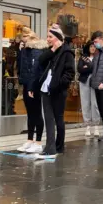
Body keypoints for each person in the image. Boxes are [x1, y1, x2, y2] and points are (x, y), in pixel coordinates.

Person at [32, 24, 75, 158]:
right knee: (49, 120)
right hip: (46, 90)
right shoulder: (52, 51)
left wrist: (60, 85)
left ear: (57, 38)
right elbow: (40, 60)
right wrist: (52, 50)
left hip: (57, 90)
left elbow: (70, 72)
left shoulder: (67, 52)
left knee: (59, 119)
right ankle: (50, 148)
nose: (48, 39)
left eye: (50, 37)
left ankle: (59, 146)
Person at [17, 27, 47, 154]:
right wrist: (20, 51)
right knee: (30, 113)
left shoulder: (37, 50)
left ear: (30, 38)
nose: (22, 40)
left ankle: (38, 141)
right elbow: (21, 67)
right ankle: (30, 139)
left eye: (24, 38)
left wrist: (31, 87)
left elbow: (34, 70)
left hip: (34, 86)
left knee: (36, 113)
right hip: (27, 84)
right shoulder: (26, 50)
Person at [77, 41, 100, 137]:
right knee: (85, 103)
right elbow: (79, 69)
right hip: (84, 81)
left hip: (95, 81)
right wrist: (90, 67)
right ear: (88, 47)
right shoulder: (83, 57)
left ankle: (96, 126)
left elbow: (98, 69)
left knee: (95, 103)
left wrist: (88, 66)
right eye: (91, 46)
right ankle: (87, 126)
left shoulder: (98, 57)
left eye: (94, 46)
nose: (92, 48)